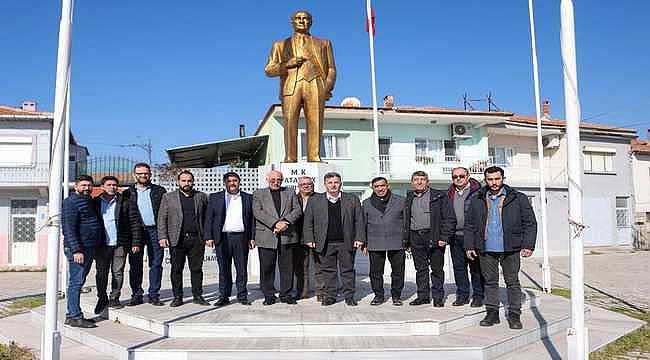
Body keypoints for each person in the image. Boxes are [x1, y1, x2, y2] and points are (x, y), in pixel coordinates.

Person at [465, 166, 537, 329]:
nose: (494, 182)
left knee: (512, 282)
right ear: (486, 180)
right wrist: (469, 245)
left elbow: (530, 223)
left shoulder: (518, 198)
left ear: (503, 178)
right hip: (485, 248)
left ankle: (514, 314)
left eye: (497, 179)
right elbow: (469, 224)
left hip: (510, 247)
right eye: (490, 179)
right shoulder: (477, 198)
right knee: (490, 282)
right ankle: (492, 313)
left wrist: (528, 244)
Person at [264, 10, 336, 162]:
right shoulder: (280, 45)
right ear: (292, 22)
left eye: (305, 18)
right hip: (291, 85)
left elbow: (331, 68)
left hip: (315, 83)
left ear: (311, 22)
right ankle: (290, 157)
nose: (302, 21)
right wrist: (286, 65)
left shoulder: (324, 43)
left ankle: (314, 155)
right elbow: (269, 70)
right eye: (298, 18)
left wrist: (326, 87)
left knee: (316, 121)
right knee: (289, 121)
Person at [303, 172, 363, 306]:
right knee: (328, 271)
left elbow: (359, 220)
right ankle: (330, 296)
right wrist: (309, 238)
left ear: (340, 183)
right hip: (325, 242)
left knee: (347, 271)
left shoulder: (352, 199)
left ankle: (349, 296)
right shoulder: (315, 200)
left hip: (346, 241)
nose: (333, 185)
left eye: (336, 182)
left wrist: (359, 237)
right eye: (330, 182)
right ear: (325, 184)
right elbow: (308, 221)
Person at [404, 171, 456, 307]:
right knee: (420, 269)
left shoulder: (439, 196)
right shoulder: (409, 197)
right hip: (415, 236)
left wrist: (444, 237)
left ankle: (438, 297)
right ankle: (423, 296)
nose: (419, 182)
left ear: (428, 182)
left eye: (422, 179)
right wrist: (407, 240)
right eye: (416, 179)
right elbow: (406, 219)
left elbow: (449, 218)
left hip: (434, 236)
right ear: (412, 182)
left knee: (437, 269)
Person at [158, 170, 209, 307]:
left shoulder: (202, 197)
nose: (186, 183)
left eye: (189, 181)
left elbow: (207, 218)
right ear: (178, 182)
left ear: (193, 182)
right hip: (177, 239)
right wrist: (162, 236)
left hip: (197, 239)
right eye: (184, 180)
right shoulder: (168, 197)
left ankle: (198, 295)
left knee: (197, 269)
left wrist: (208, 236)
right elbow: (162, 218)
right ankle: (178, 297)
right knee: (176, 269)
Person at [92, 176, 142, 314]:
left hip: (120, 243)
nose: (112, 187)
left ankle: (114, 297)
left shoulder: (126, 202)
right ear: (102, 186)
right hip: (101, 245)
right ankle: (102, 298)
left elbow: (135, 223)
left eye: (115, 185)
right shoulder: (95, 202)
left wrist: (136, 242)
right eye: (109, 184)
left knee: (118, 272)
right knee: (101, 273)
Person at [252, 170, 303, 305]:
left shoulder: (290, 192)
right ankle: (269, 295)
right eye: (273, 179)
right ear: (267, 179)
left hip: (287, 236)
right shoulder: (259, 193)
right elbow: (257, 212)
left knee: (287, 268)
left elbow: (297, 210)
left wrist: (285, 222)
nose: (276, 182)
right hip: (267, 236)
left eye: (279, 180)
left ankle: (286, 294)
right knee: (267, 267)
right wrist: (275, 223)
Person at [204, 172, 255, 307]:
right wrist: (208, 236)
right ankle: (224, 296)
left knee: (241, 269)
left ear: (239, 182)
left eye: (235, 180)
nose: (232, 183)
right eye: (229, 181)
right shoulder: (215, 197)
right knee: (224, 269)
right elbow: (209, 218)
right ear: (225, 183)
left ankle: (242, 296)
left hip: (241, 238)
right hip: (223, 238)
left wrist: (252, 237)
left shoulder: (248, 198)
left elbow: (252, 220)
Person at [123, 162, 166, 306]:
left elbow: (165, 213)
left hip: (155, 230)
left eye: (146, 173)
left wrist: (163, 233)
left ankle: (154, 294)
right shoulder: (127, 193)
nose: (143, 175)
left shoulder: (159, 191)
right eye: (140, 173)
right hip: (136, 233)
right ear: (135, 175)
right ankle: (136, 294)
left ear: (150, 174)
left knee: (156, 263)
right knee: (135, 264)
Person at [62, 175, 102, 328]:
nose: (87, 188)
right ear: (76, 186)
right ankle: (75, 316)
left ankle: (70, 314)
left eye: (89, 185)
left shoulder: (89, 201)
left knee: (79, 281)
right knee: (76, 282)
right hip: (79, 249)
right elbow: (69, 229)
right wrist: (76, 250)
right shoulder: (70, 202)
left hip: (89, 247)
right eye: (84, 185)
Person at [360, 177, 407, 306]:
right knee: (375, 272)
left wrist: (406, 241)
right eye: (376, 186)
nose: (380, 189)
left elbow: (406, 222)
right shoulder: (366, 203)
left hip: (397, 241)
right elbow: (362, 224)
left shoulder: (401, 201)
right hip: (374, 242)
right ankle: (378, 296)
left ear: (388, 186)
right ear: (372, 188)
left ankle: (396, 296)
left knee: (398, 271)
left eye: (382, 186)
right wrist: (363, 243)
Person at [446, 167, 484, 307]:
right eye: (455, 176)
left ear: (468, 176)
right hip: (455, 236)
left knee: (475, 268)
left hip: (473, 236)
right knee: (459, 268)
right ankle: (462, 295)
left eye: (461, 176)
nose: (458, 179)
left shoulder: (478, 192)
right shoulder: (449, 193)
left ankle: (478, 296)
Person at [292, 176, 323, 300]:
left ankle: (321, 293)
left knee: (319, 266)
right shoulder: (293, 198)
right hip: (298, 237)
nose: (306, 186)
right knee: (300, 267)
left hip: (317, 237)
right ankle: (302, 292)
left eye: (309, 183)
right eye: (303, 184)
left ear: (313, 185)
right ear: (298, 186)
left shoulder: (320, 198)